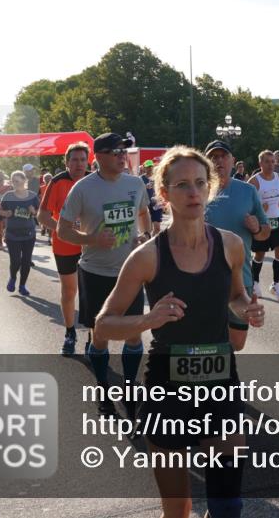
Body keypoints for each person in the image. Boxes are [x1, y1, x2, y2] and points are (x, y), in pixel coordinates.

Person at [95, 145, 265, 518]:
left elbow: (236, 295)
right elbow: (101, 326)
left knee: (227, 504)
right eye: (183, 185)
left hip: (220, 381)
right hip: (167, 390)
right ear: (164, 193)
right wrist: (146, 320)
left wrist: (246, 309)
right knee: (178, 510)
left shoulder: (230, 245)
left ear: (211, 189)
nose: (193, 193)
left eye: (201, 183)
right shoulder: (147, 257)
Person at [57, 132, 152, 418]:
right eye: (115, 151)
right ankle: (102, 389)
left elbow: (144, 214)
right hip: (95, 272)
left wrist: (145, 235)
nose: (122, 155)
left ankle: (128, 389)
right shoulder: (83, 189)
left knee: (134, 335)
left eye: (124, 150)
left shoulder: (136, 184)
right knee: (100, 337)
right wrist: (93, 239)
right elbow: (62, 230)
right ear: (98, 157)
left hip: (130, 272)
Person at [204, 139, 271, 350]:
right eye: (213, 157)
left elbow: (264, 234)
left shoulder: (247, 191)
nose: (219, 161)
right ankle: (214, 381)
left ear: (233, 160)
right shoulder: (197, 191)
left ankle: (221, 374)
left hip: (241, 278)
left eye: (223, 156)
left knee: (237, 343)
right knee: (205, 338)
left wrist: (256, 229)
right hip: (203, 278)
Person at [38, 142, 90, 356]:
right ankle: (70, 333)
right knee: (69, 291)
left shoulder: (94, 181)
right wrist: (62, 229)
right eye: (74, 160)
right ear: (67, 162)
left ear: (88, 161)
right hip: (65, 245)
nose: (79, 164)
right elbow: (42, 215)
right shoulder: (58, 182)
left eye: (83, 159)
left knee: (91, 294)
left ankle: (93, 338)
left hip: (91, 246)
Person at [249, 150, 279, 301]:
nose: (271, 164)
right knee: (259, 254)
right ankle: (255, 282)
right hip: (262, 223)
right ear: (260, 164)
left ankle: (275, 284)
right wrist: (259, 208)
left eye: (273, 161)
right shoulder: (254, 181)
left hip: (277, 220)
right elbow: (246, 203)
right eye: (267, 161)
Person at [0, 170, 40, 296]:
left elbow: (39, 212)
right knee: (15, 261)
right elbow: (0, 210)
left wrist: (34, 211)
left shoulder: (32, 196)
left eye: (18, 181)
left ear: (24, 181)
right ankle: (13, 278)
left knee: (26, 262)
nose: (16, 183)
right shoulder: (8, 195)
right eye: (13, 181)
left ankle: (22, 285)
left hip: (29, 234)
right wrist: (6, 213)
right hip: (12, 234)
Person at [141, 159, 164, 235]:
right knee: (148, 229)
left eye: (151, 166)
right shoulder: (140, 179)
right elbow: (136, 191)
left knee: (157, 228)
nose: (150, 168)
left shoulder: (157, 177)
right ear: (144, 168)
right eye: (148, 167)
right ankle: (148, 243)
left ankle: (155, 244)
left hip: (156, 203)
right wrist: (145, 187)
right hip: (145, 204)